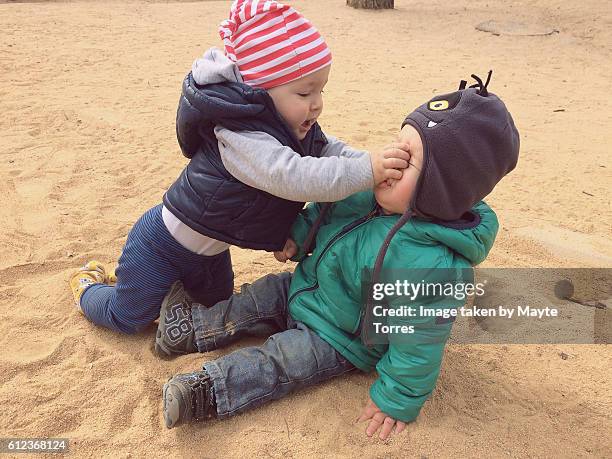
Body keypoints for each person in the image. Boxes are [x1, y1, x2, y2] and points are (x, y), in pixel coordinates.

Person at [155, 74, 520, 438]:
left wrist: (397, 399)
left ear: (443, 192)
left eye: (408, 163)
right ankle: (188, 330)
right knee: (256, 298)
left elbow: (418, 343)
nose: (392, 163)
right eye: (398, 146)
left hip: (340, 337)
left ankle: (207, 391)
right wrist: (297, 235)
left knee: (283, 361)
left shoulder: (431, 265)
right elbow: (324, 212)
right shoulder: (370, 189)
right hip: (309, 287)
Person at [68, 0, 411, 334]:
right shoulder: (239, 136)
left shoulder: (289, 125)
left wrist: (376, 163)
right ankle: (88, 287)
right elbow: (293, 176)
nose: (317, 104)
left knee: (213, 309)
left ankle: (138, 284)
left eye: (321, 90)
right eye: (305, 94)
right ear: (260, 92)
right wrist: (368, 170)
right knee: (129, 318)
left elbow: (328, 150)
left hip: (212, 254)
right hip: (161, 245)